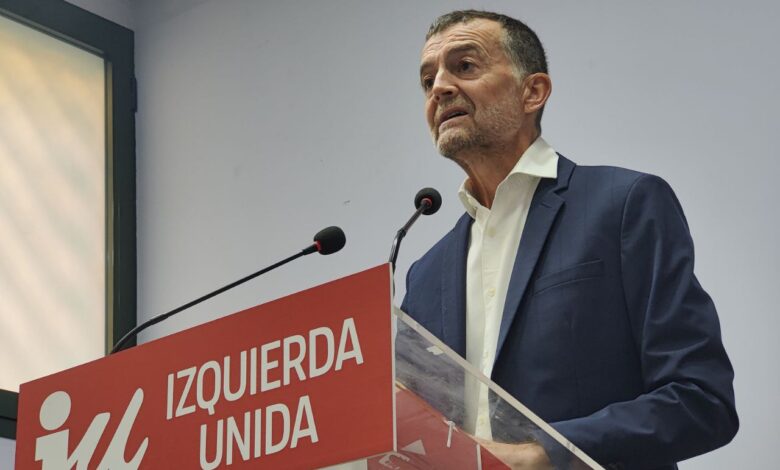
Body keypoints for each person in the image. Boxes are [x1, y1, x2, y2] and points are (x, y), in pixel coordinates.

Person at [401, 10, 738, 470]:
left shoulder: (622, 205)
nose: (439, 88)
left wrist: (543, 454)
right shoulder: (425, 274)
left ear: (532, 92)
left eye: (464, 67)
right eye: (426, 81)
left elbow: (701, 399)